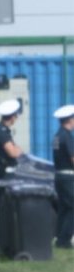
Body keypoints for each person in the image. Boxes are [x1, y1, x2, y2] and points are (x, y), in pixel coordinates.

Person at [54, 104, 74, 249]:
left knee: (64, 208)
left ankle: (59, 237)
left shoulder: (57, 135)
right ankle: (64, 240)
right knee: (72, 207)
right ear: (69, 120)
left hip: (59, 176)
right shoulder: (67, 137)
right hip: (68, 177)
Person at [0, 98, 23, 178]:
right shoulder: (2, 132)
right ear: (12, 117)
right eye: (16, 116)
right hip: (5, 173)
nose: (16, 119)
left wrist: (16, 149)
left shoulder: (2, 130)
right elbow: (13, 153)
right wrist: (19, 150)